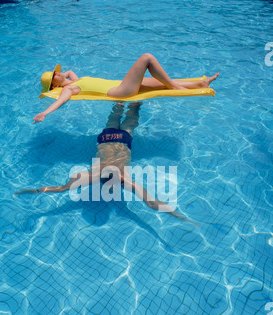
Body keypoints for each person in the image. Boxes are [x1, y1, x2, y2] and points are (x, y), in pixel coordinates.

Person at [19, 102, 188, 221]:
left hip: (122, 140)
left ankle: (134, 103)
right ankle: (123, 102)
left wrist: (33, 191)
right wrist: (176, 215)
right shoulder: (111, 179)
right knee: (115, 116)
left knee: (130, 118)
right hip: (106, 139)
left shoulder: (102, 178)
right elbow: (151, 203)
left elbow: (59, 189)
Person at [33, 53, 219, 123]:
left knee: (160, 82)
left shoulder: (74, 80)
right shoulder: (70, 89)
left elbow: (70, 72)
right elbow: (61, 100)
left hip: (121, 86)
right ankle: (176, 87)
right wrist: (45, 113)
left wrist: (62, 76)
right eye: (55, 74)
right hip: (121, 91)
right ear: (55, 84)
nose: (58, 72)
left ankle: (201, 84)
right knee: (147, 58)